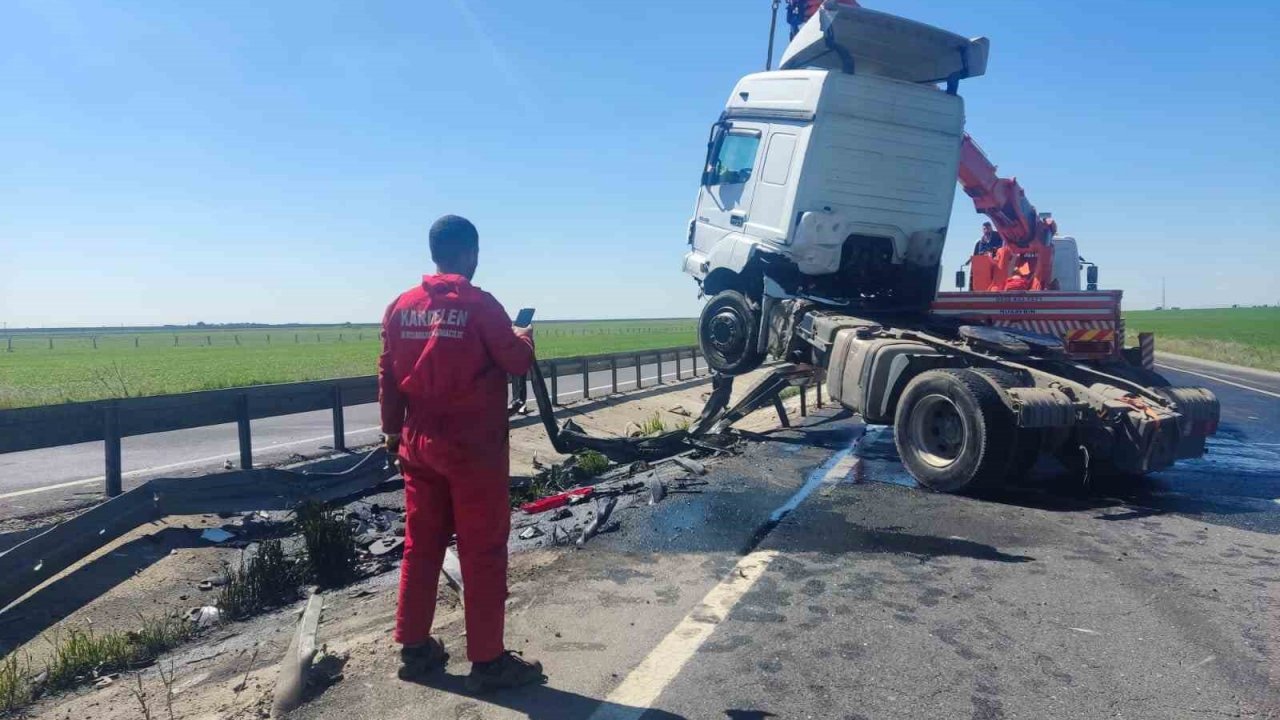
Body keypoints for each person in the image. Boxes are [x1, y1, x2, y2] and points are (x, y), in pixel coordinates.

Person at [378, 214, 544, 692]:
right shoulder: (479, 304)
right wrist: (525, 336)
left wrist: (392, 433)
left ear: (435, 254)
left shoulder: (400, 306)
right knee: (482, 549)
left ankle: (413, 650)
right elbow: (515, 360)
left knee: (421, 544)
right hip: (473, 450)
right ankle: (489, 662)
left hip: (418, 444)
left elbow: (387, 374)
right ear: (471, 253)